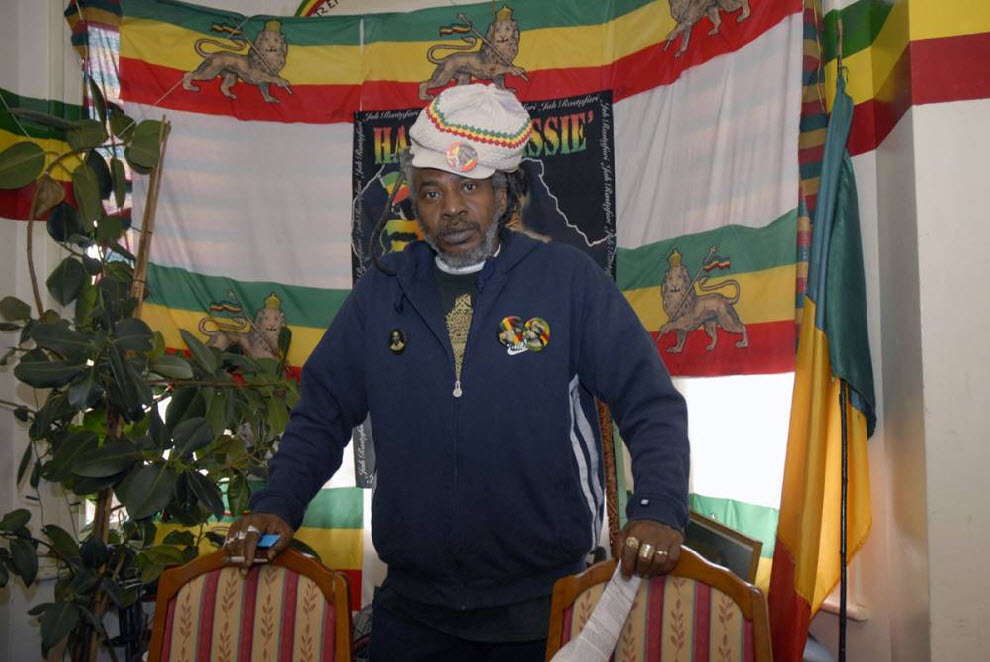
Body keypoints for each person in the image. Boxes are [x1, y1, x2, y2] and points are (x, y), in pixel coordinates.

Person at [223, 83, 690, 661]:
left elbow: (650, 402)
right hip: (411, 615)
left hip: (544, 610)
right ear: (414, 205)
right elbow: (321, 412)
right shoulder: (381, 294)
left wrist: (659, 507)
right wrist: (277, 502)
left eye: (469, 186)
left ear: (503, 192)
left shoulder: (567, 281)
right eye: (431, 191)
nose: (450, 209)